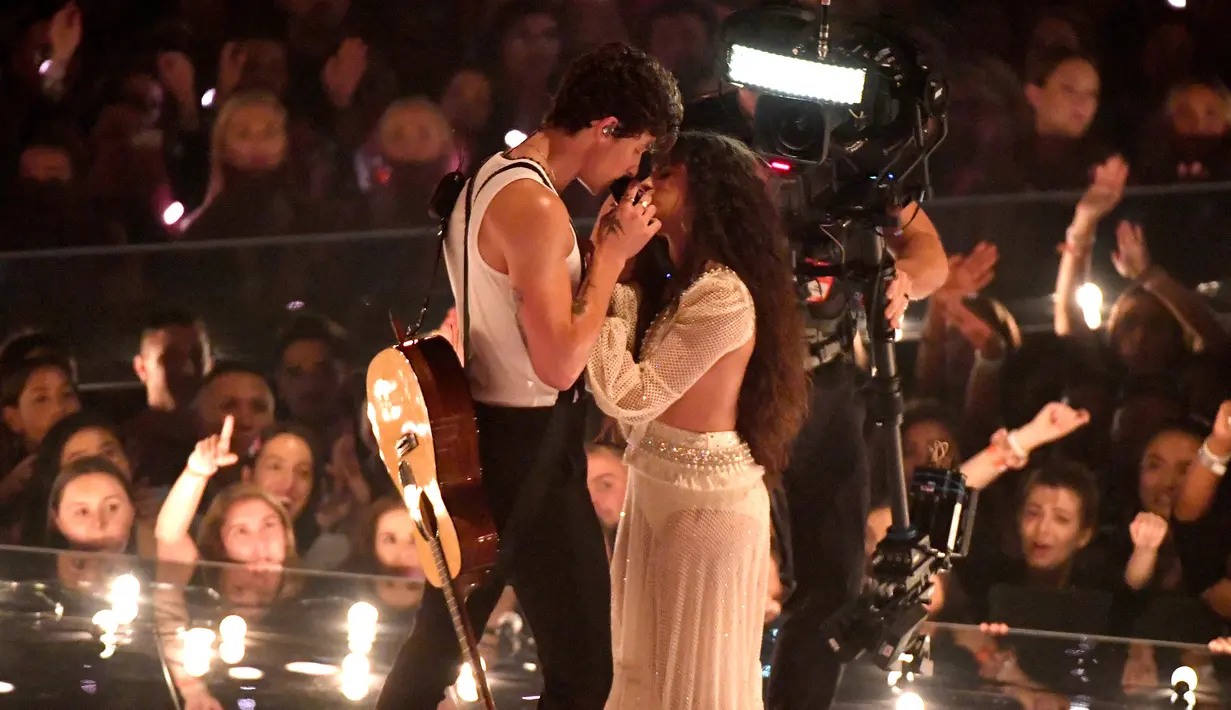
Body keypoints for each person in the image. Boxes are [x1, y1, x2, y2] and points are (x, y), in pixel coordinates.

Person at [374, 42, 682, 710]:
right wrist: (607, 255)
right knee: (581, 671)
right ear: (605, 128)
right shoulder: (536, 209)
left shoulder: (491, 175)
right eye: (636, 148)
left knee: (440, 641)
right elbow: (559, 361)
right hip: (528, 445)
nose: (636, 166)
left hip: (487, 431)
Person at [681, 83, 949, 709]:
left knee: (835, 582)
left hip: (824, 379)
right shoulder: (698, 132)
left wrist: (904, 280)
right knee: (717, 571)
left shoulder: (850, 134)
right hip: (725, 379)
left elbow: (929, 248)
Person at [587, 131, 809, 709]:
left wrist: (606, 271)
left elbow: (626, 395)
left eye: (667, 174)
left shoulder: (724, 296)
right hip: (661, 491)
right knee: (643, 676)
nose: (647, 183)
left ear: (709, 192)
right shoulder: (683, 284)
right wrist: (623, 271)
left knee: (686, 690)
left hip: (702, 506)